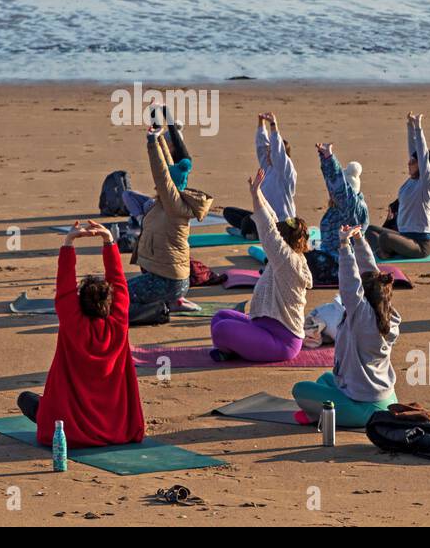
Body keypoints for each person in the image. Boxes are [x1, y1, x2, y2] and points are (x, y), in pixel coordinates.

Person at [16, 221, 144, 448]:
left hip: (71, 430)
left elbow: (64, 286)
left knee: (26, 399)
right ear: (111, 303)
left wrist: (69, 242)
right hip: (117, 429)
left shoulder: (73, 323)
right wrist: (109, 240)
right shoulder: (118, 322)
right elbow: (119, 283)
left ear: (79, 303)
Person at [292, 225, 401, 427]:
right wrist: (358, 240)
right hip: (387, 399)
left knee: (300, 389)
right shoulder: (388, 313)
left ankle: (319, 415)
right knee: (326, 378)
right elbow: (372, 274)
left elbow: (349, 282)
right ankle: (321, 412)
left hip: (363, 410)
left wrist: (344, 245)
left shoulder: (362, 318)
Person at [210, 169, 313, 362]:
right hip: (263, 327)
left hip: (282, 342)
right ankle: (232, 348)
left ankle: (230, 348)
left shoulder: (288, 261)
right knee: (220, 317)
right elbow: (272, 220)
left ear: (282, 241)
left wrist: (255, 194)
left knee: (221, 330)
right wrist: (257, 193)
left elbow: (267, 229)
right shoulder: (286, 256)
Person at [126, 125, 213, 325]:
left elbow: (162, 173)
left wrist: (151, 141)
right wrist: (160, 136)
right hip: (166, 277)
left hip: (168, 282)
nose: (157, 186)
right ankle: (172, 301)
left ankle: (159, 310)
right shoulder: (166, 203)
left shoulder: (173, 205)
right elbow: (169, 165)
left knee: (118, 298)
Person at [367, 113, 430, 260]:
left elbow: (422, 154)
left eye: (413, 161)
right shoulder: (411, 181)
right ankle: (387, 251)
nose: (408, 163)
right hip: (403, 237)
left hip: (420, 244)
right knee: (369, 230)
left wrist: (418, 128)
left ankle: (385, 252)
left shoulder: (426, 185)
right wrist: (410, 126)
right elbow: (414, 150)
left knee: (385, 237)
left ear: (423, 167)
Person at [303, 142, 368, 287]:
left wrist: (329, 158)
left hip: (340, 266)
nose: (331, 193)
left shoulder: (352, 207)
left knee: (299, 260)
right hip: (330, 260)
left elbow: (339, 186)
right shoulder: (340, 206)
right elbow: (333, 184)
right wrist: (324, 159)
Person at [223, 112, 297, 238]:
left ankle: (250, 233)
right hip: (265, 218)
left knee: (247, 221)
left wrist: (273, 125)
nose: (267, 155)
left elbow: (278, 152)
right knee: (229, 213)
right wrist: (261, 122)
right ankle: (251, 231)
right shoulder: (268, 167)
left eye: (271, 152)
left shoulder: (285, 171)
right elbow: (261, 146)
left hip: (283, 222)